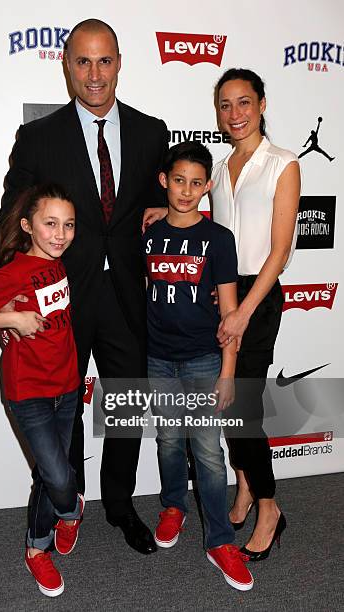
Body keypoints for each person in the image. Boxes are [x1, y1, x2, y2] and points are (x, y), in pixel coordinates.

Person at [0, 18, 168, 555]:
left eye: (104, 61)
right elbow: (9, 217)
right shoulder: (39, 136)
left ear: (119, 64)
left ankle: (122, 504)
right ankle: (68, 504)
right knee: (61, 412)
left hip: (129, 296)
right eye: (82, 61)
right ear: (66, 66)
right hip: (59, 298)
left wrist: (174, 208)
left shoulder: (153, 131)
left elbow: (178, 197)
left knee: (127, 404)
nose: (94, 74)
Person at [0, 184, 82, 597]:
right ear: (28, 226)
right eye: (50, 224)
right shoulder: (12, 272)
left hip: (67, 386)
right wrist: (15, 320)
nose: (59, 234)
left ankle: (37, 547)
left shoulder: (60, 264)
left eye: (68, 225)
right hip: (28, 393)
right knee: (59, 477)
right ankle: (70, 510)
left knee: (49, 475)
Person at [143, 141, 254, 591]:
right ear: (163, 181)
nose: (186, 191)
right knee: (169, 440)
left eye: (195, 183)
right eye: (178, 181)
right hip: (156, 357)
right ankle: (173, 505)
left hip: (205, 358)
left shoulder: (218, 239)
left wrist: (228, 371)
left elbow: (230, 315)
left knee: (208, 453)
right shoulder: (146, 233)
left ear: (208, 187)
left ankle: (220, 540)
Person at [211, 68, 300, 561]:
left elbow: (280, 249)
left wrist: (244, 311)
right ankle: (244, 485)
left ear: (262, 104)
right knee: (226, 402)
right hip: (222, 294)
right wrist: (164, 212)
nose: (235, 113)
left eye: (244, 102)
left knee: (243, 406)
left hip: (258, 298)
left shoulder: (282, 163)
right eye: (225, 105)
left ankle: (270, 507)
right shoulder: (221, 168)